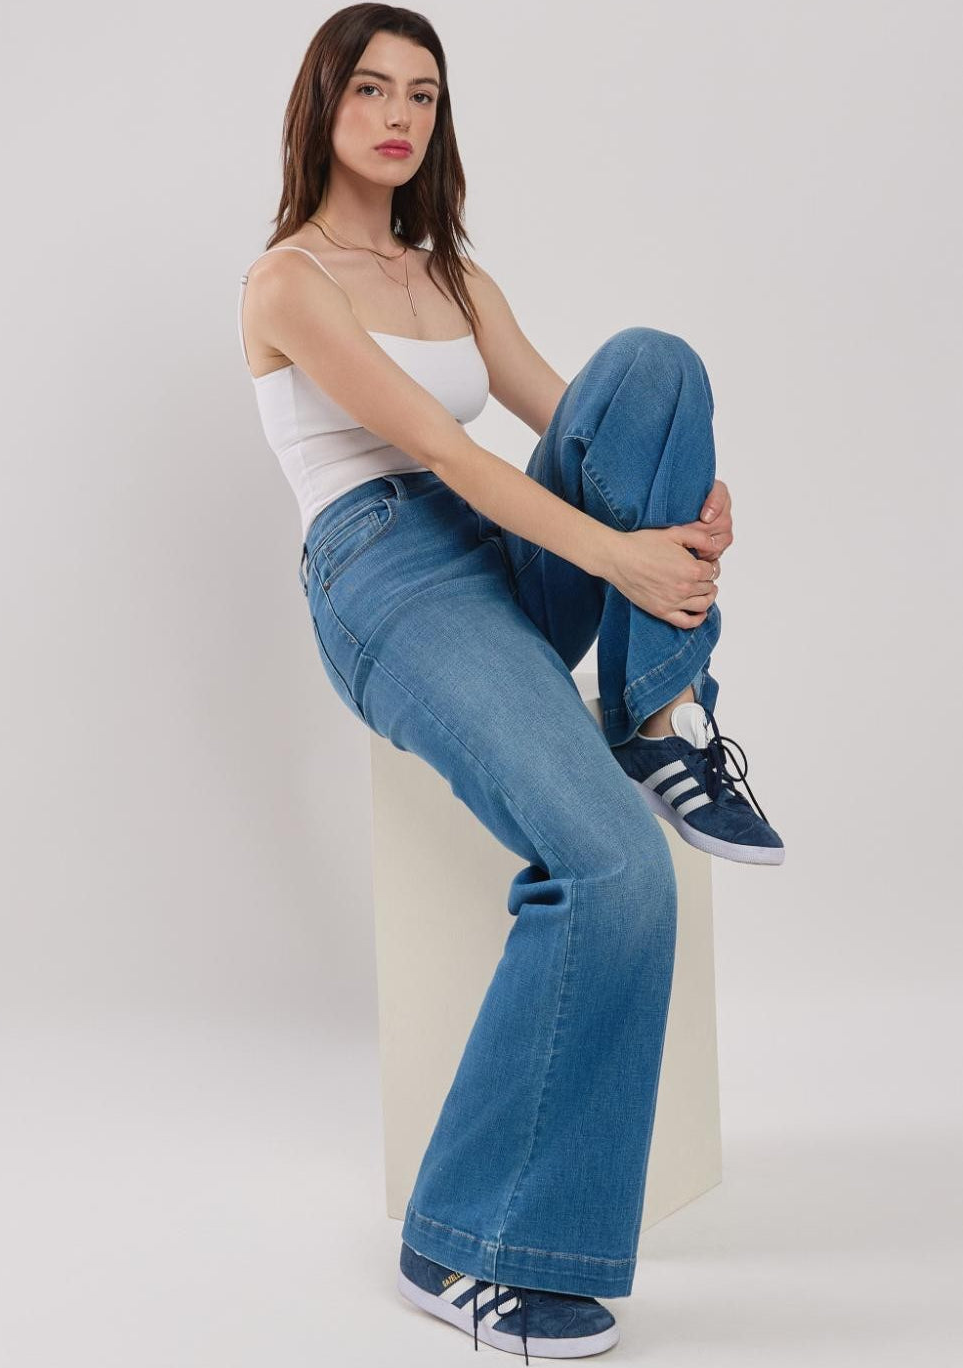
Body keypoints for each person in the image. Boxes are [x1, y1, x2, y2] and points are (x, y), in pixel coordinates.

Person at [237, 5, 784, 1359]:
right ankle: (463, 1246)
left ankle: (659, 717)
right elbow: (445, 453)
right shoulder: (288, 282)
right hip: (387, 579)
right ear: (322, 105)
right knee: (615, 869)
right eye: (371, 88)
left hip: (500, 553)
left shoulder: (453, 279)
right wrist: (623, 558)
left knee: (652, 365)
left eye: (422, 93)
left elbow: (572, 419)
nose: (399, 115)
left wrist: (683, 516)